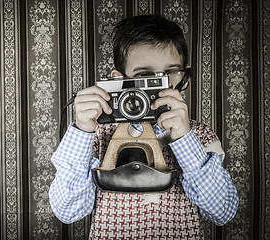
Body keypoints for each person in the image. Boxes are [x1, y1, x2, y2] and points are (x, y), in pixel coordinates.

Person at [49, 14, 238, 239]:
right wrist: (82, 131)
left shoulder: (200, 135)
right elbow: (68, 212)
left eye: (170, 73)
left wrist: (185, 139)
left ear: (184, 75)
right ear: (119, 80)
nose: (161, 85)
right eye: (145, 76)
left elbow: (222, 212)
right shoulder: (97, 135)